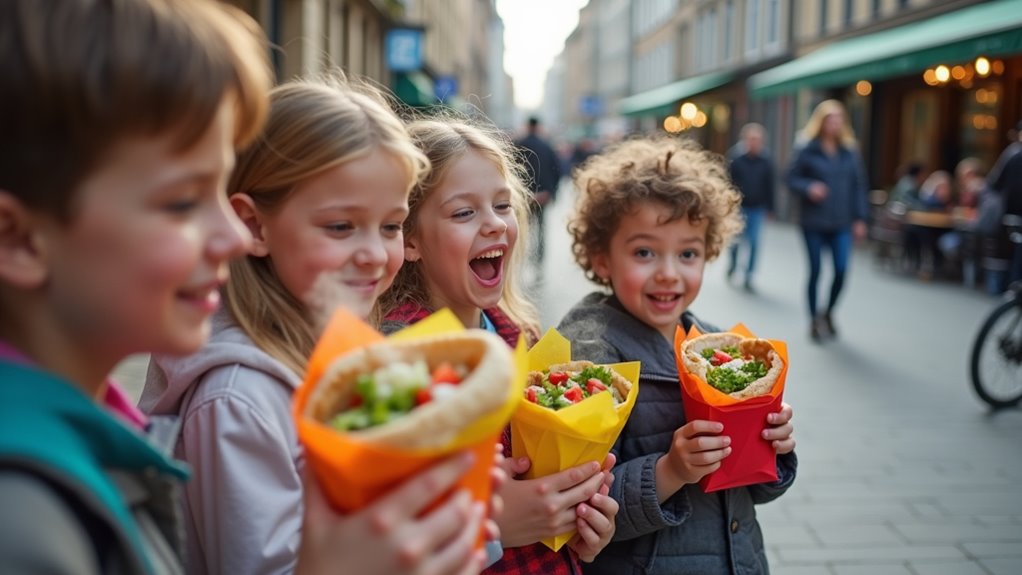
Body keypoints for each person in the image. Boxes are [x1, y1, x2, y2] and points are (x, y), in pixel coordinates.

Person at [139, 78, 490, 575]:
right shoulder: (241, 398)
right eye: (341, 227)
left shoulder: (338, 353)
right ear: (254, 226)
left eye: (390, 226)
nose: (373, 254)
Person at [0, 0, 269, 572]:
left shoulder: (94, 440)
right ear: (18, 241)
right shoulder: (22, 525)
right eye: (181, 202)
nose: (235, 237)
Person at [377, 117, 618, 573]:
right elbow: (378, 537)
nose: (494, 225)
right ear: (410, 239)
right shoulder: (399, 360)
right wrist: (488, 523)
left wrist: (581, 527)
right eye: (463, 212)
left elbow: (543, 492)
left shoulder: (519, 335)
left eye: (502, 205)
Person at [556, 135, 797, 575]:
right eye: (644, 252)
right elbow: (577, 509)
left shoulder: (721, 347)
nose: (668, 273)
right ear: (602, 258)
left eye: (688, 253)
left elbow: (753, 491)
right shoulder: (588, 356)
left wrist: (772, 449)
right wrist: (670, 470)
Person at [786, 99, 869, 342]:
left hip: (841, 221)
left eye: (838, 120)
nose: (834, 124)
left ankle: (828, 312)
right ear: (821, 122)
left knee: (842, 270)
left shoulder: (849, 151)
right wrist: (808, 186)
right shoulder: (807, 147)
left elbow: (858, 185)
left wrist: (860, 218)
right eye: (830, 120)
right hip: (813, 221)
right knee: (815, 271)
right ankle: (813, 320)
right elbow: (790, 178)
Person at [726, 123, 775, 292]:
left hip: (757, 207)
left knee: (754, 242)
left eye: (758, 140)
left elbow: (770, 185)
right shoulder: (736, 158)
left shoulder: (766, 160)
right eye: (752, 139)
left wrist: (771, 207)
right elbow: (727, 182)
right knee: (735, 241)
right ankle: (733, 265)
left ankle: (749, 275)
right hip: (739, 207)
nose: (755, 143)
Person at [515, 116, 563, 261]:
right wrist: (551, 192)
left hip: (524, 195)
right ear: (538, 127)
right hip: (543, 195)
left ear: (528, 127)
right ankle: (539, 258)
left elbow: (512, 170)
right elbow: (557, 171)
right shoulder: (547, 146)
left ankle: (523, 255)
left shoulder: (519, 144)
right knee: (541, 228)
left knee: (524, 227)